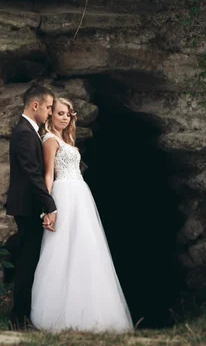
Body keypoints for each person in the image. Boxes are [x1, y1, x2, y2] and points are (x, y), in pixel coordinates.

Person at [30, 97, 134, 333]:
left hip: (80, 195)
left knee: (86, 247)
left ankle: (90, 311)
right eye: (60, 113)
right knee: (62, 248)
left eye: (68, 114)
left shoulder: (68, 140)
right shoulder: (49, 140)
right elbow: (48, 174)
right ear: (51, 115)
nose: (65, 117)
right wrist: (48, 207)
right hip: (64, 194)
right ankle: (57, 313)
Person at [6, 84, 57, 330]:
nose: (50, 112)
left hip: (28, 205)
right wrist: (50, 204)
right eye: (48, 107)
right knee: (27, 263)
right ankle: (19, 319)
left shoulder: (31, 130)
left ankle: (23, 315)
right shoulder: (25, 132)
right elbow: (32, 173)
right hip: (27, 207)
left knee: (29, 260)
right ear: (35, 105)